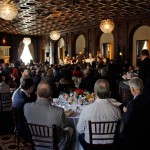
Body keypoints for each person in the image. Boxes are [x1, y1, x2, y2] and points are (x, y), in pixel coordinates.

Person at [24, 81, 73, 150]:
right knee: (70, 128)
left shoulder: (26, 107)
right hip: (55, 146)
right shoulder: (59, 111)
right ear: (50, 96)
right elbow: (65, 126)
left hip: (36, 144)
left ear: (36, 93)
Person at [77, 79, 122, 150]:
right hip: (110, 145)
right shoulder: (116, 109)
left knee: (80, 136)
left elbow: (79, 129)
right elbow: (120, 130)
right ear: (109, 93)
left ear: (94, 93)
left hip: (91, 145)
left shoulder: (86, 109)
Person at [121, 77, 150, 150]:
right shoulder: (148, 99)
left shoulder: (132, 104)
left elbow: (126, 122)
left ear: (132, 89)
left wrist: (125, 112)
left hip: (134, 137)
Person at [12, 77, 34, 142]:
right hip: (23, 125)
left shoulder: (19, 92)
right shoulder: (23, 100)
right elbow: (30, 114)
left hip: (19, 121)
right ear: (31, 87)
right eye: (33, 86)